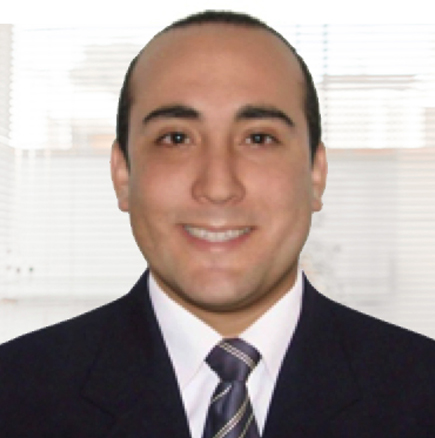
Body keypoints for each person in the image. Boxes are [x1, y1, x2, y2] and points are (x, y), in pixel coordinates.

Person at [1, 10, 435, 438]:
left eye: (259, 138)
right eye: (176, 138)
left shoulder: (421, 391)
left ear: (316, 174)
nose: (218, 186)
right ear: (123, 175)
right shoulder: (15, 395)